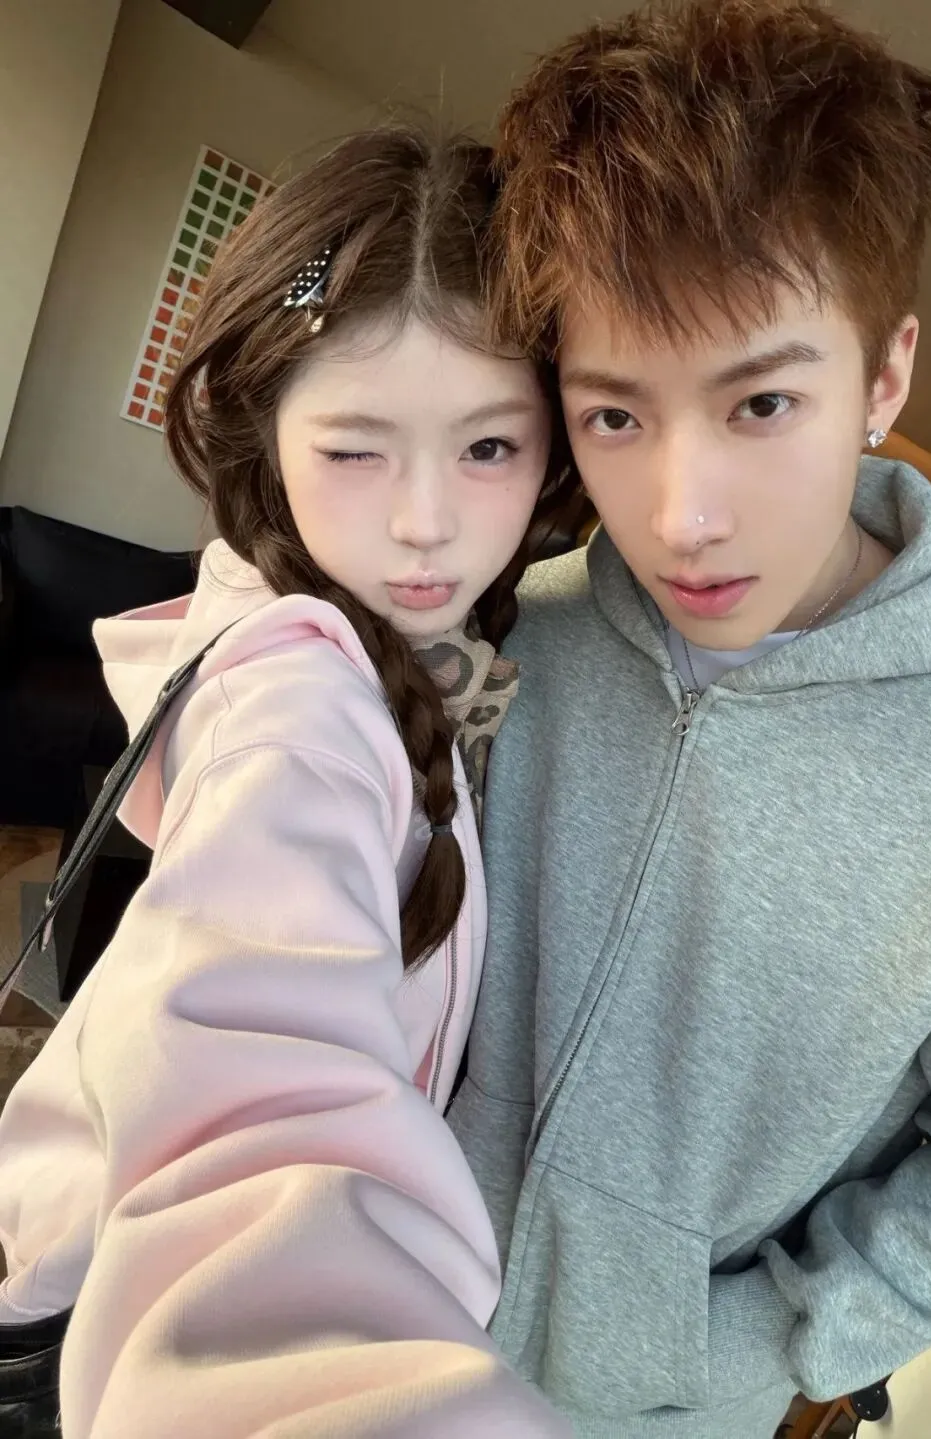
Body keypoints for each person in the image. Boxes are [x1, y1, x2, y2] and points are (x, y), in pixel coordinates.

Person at [446, 3, 931, 1436]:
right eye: (616, 417)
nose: (683, 516)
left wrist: (773, 1343)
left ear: (885, 378)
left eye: (763, 403)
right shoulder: (517, 630)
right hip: (366, 1337)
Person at [0, 129, 577, 1438]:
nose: (425, 520)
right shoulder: (303, 708)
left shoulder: (374, 642)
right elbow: (255, 1094)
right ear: (264, 426)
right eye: (356, 448)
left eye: (489, 447)